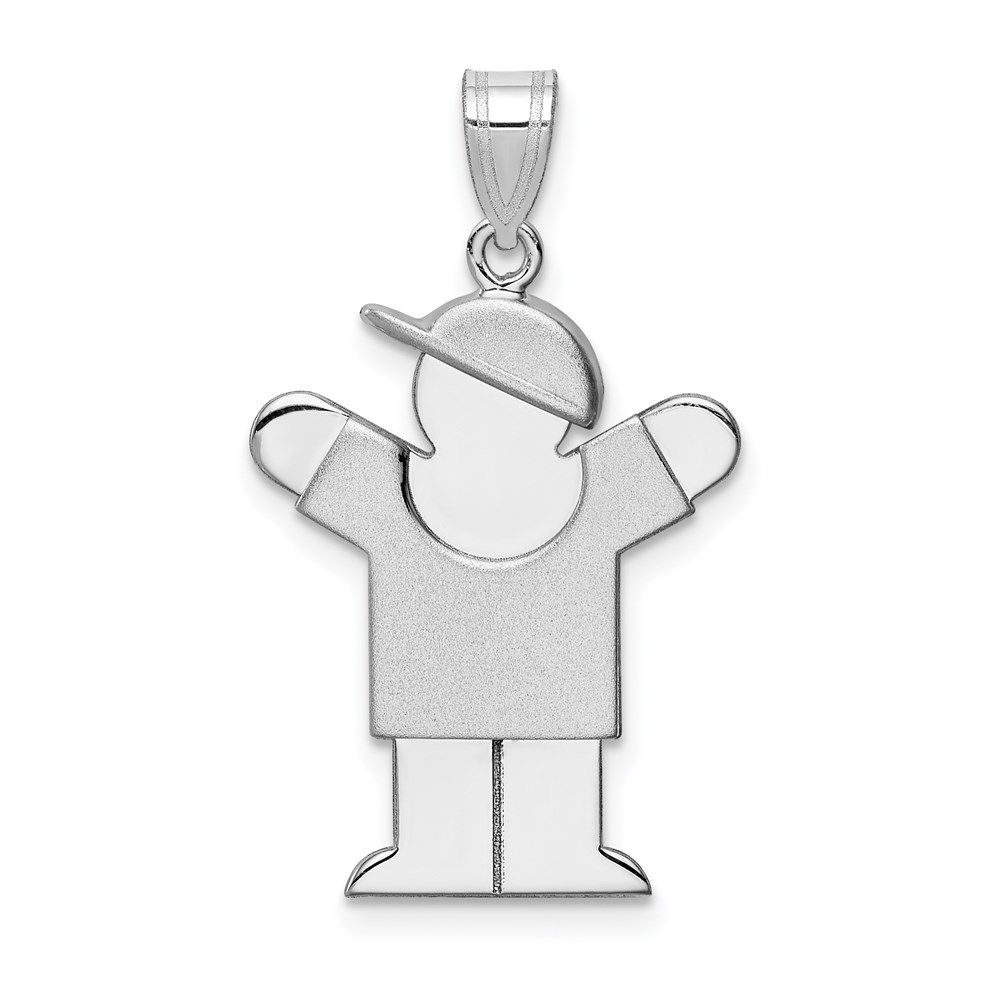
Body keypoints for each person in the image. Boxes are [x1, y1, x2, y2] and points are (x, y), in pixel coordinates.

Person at [251, 291, 739, 895]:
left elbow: (293, 442)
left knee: (551, 769)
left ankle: (547, 855)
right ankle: (439, 855)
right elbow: (698, 440)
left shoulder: (587, 489)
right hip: (448, 681)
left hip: (547, 680)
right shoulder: (401, 489)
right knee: (444, 769)